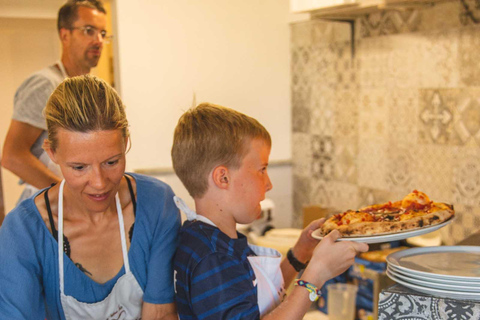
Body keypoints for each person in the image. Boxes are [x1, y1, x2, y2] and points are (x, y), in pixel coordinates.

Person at [0, 75, 180, 320]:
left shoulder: (156, 204)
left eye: (111, 162)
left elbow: (160, 313)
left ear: (126, 142)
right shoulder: (23, 231)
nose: (99, 183)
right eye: (79, 167)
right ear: (52, 152)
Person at [171, 103, 369, 320]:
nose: (268, 183)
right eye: (262, 170)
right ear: (223, 178)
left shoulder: (206, 237)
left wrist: (299, 255)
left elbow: (252, 300)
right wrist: (315, 276)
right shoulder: (213, 257)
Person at [2, 0, 109, 203]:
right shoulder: (45, 85)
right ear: (65, 34)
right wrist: (66, 193)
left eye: (103, 33)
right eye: (89, 31)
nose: (98, 40)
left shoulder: (93, 91)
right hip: (49, 203)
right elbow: (12, 157)